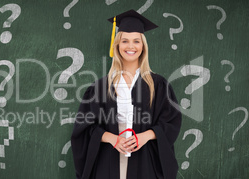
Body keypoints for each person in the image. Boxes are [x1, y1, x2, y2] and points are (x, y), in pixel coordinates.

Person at [71, 9, 182, 179]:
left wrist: (145, 136)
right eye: (125, 41)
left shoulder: (158, 85)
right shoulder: (100, 87)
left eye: (136, 41)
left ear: (143, 46)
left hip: (145, 162)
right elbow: (84, 129)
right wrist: (112, 138)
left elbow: (171, 122)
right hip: (108, 162)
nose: (131, 46)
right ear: (117, 45)